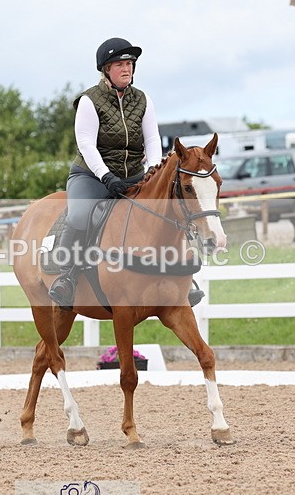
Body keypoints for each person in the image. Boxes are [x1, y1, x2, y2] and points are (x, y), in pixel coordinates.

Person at [48, 37, 204, 308]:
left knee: (166, 211)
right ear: (106, 70)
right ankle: (67, 276)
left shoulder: (142, 99)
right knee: (81, 215)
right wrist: (106, 176)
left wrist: (153, 171)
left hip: (134, 175)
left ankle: (183, 278)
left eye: (130, 63)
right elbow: (86, 144)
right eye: (119, 64)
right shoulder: (89, 101)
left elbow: (153, 140)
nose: (126, 68)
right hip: (91, 174)